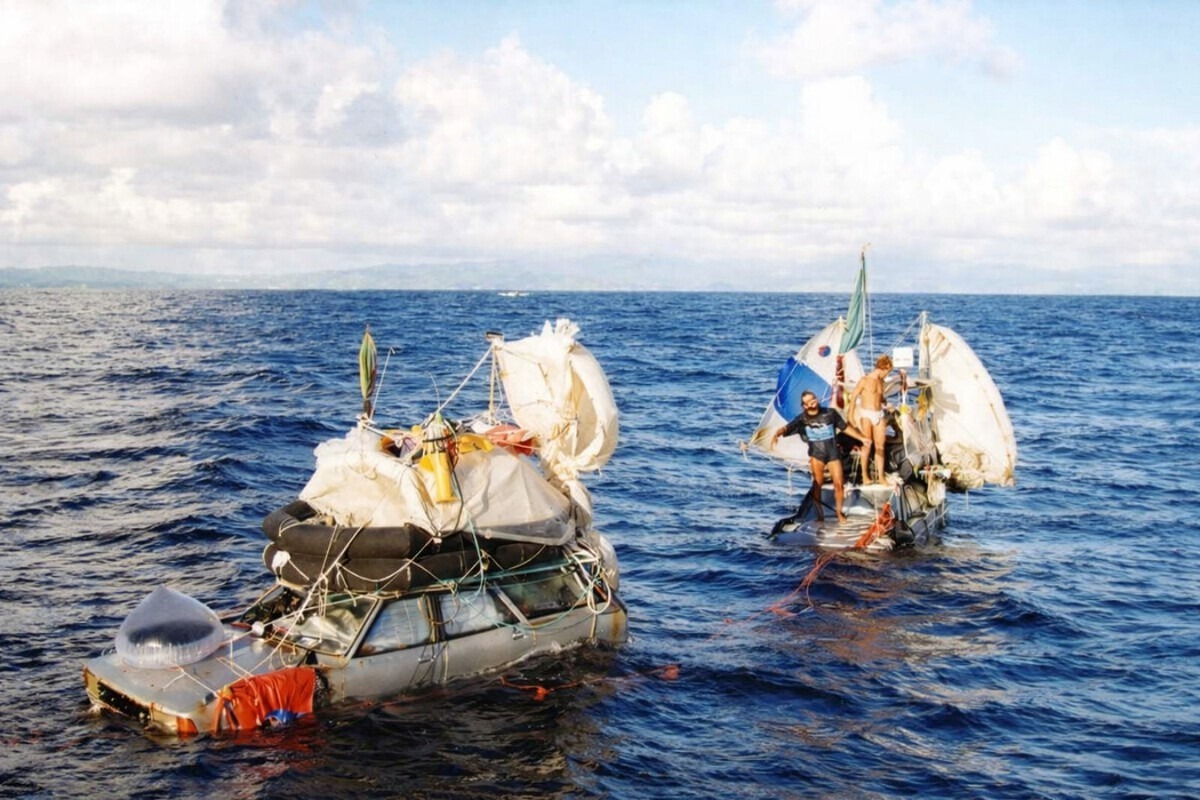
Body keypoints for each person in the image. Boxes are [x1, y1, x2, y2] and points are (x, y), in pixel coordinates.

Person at [770, 390, 867, 523]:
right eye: (809, 401)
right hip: (817, 456)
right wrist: (777, 433)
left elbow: (845, 428)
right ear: (804, 405)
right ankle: (820, 514)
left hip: (833, 453)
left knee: (839, 485)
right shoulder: (802, 419)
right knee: (817, 485)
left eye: (814, 399)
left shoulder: (830, 413)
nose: (813, 402)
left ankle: (839, 513)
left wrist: (861, 438)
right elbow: (788, 427)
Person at [847, 354, 893, 485]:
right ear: (885, 367)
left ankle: (881, 477)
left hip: (879, 414)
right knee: (867, 444)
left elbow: (880, 396)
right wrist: (851, 414)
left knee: (880, 446)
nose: (888, 374)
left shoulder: (882, 381)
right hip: (866, 413)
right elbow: (854, 396)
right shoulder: (865, 380)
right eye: (888, 371)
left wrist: (883, 401)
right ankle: (865, 475)